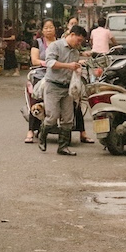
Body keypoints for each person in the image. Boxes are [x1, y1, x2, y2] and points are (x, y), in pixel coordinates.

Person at [39, 25, 89, 155]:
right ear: (71, 35)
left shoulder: (75, 52)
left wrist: (77, 70)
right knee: (52, 116)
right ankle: (42, 136)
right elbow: (50, 63)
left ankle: (63, 146)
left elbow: (73, 68)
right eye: (78, 40)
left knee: (68, 119)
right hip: (53, 86)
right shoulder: (56, 46)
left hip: (67, 88)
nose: (79, 43)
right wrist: (69, 66)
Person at [24, 19, 57, 142]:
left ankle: (82, 132)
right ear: (42, 30)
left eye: (51, 27)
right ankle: (30, 131)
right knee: (36, 98)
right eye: (46, 28)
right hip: (41, 75)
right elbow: (34, 60)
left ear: (55, 29)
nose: (48, 30)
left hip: (57, 75)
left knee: (72, 98)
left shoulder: (60, 43)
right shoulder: (37, 43)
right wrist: (47, 63)